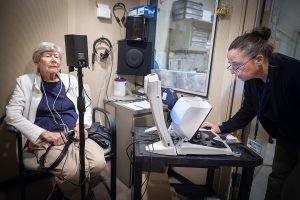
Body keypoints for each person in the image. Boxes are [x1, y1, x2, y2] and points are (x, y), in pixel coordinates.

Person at [201, 27, 300, 200]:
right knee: (277, 179)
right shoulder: (252, 80)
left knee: (291, 190)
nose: (233, 71)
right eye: (231, 65)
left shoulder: (292, 71)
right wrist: (221, 128)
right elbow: (248, 110)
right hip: (287, 136)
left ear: (259, 59)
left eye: (237, 65)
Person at [5, 42, 107, 200]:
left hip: (75, 134)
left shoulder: (71, 80)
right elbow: (11, 114)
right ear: (37, 62)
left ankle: (68, 192)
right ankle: (81, 195)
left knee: (98, 164)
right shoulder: (25, 82)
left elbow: (85, 105)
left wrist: (81, 125)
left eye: (57, 57)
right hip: (46, 139)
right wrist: (44, 134)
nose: (54, 60)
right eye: (48, 56)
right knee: (73, 172)